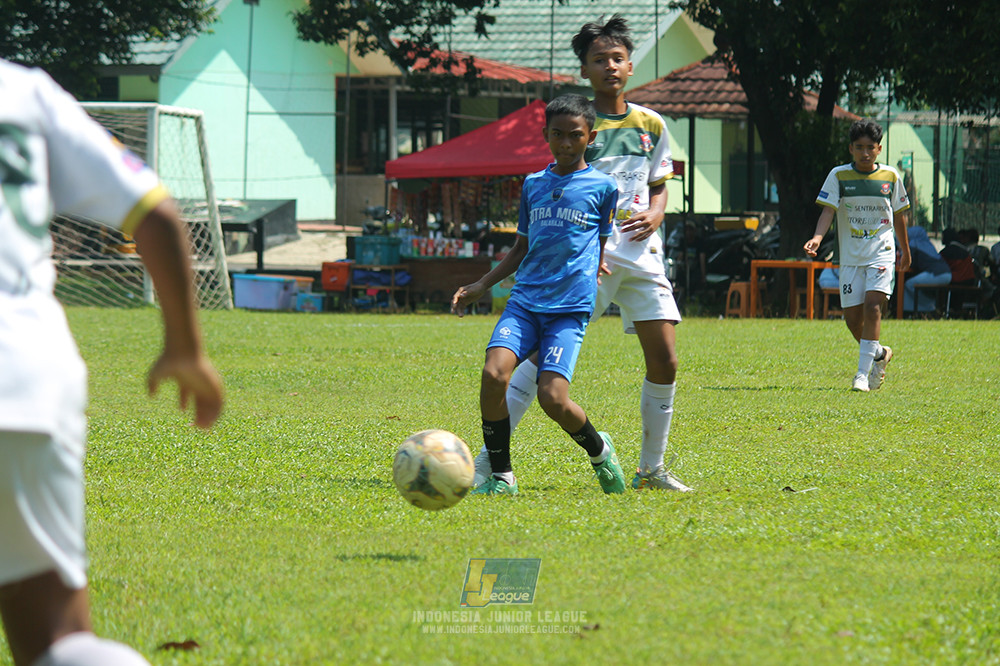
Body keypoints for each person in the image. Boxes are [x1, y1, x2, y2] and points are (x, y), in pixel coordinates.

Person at [0, 60, 224, 666]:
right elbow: (156, 212)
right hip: (26, 373)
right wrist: (184, 347)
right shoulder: (24, 93)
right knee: (56, 643)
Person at [474, 13, 693, 492]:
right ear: (585, 69)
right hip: (585, 260)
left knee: (666, 360)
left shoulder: (651, 124)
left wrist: (657, 214)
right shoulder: (576, 124)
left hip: (642, 253)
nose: (610, 66)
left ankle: (650, 470)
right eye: (599, 59)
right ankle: (491, 464)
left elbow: (660, 186)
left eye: (617, 58)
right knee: (533, 359)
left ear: (630, 66)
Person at [451, 94, 624, 496]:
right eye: (558, 135)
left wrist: (593, 265)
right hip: (526, 301)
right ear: (546, 135)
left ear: (591, 136)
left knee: (552, 398)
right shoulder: (533, 184)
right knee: (494, 374)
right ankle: (502, 476)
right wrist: (482, 285)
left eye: (575, 136)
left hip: (569, 308)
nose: (565, 144)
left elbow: (598, 240)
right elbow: (520, 248)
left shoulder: (603, 187)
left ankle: (600, 453)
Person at [804, 118, 911, 392]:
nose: (865, 153)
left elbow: (900, 216)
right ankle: (879, 354)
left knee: (874, 307)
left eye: (870, 147)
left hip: (882, 254)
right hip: (850, 259)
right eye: (859, 147)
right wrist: (817, 238)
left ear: (879, 149)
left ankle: (861, 376)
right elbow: (828, 210)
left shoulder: (891, 177)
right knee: (853, 320)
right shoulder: (838, 175)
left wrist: (905, 251)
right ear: (851, 148)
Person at [903, 225, 951, 315]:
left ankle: (929, 308)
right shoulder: (928, 243)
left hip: (937, 274)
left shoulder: (914, 243)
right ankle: (922, 310)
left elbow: (909, 263)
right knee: (913, 284)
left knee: (909, 284)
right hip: (946, 274)